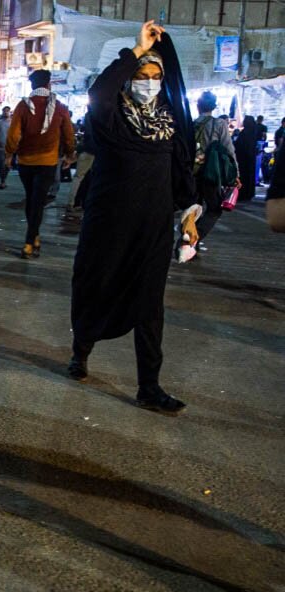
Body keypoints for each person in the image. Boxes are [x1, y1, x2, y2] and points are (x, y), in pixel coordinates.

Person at [68, 20, 198, 414]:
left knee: (150, 306)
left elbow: (183, 174)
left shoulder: (172, 123)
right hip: (108, 224)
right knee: (95, 288)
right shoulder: (111, 118)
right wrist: (136, 51)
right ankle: (81, 351)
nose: (149, 81)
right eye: (143, 74)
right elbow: (99, 92)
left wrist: (189, 217)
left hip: (152, 227)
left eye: (156, 75)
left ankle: (149, 385)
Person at [5, 69, 76, 258]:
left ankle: (32, 237)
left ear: (32, 85)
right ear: (49, 84)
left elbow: (13, 135)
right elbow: (69, 135)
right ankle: (31, 240)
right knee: (37, 200)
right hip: (48, 161)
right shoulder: (59, 107)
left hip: (26, 161)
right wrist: (69, 154)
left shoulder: (23, 106)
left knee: (32, 199)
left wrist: (9, 153)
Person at [192, 91, 239, 244]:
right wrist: (235, 174)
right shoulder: (219, 124)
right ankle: (192, 240)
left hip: (192, 172)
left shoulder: (191, 124)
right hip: (211, 173)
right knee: (214, 208)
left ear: (198, 106)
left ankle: (189, 240)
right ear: (214, 106)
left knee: (194, 207)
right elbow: (229, 149)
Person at [234, 116, 258, 202]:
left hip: (243, 159)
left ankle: (243, 194)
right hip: (251, 158)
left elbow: (239, 146)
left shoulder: (244, 133)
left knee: (244, 176)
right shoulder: (253, 132)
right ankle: (249, 193)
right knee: (250, 176)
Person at [0, 105, 12, 189]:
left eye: (7, 111)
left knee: (7, 165)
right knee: (1, 165)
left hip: (10, 147)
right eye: (4, 111)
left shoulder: (13, 122)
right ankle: (2, 181)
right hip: (0, 147)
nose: (6, 112)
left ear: (10, 112)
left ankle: (4, 178)